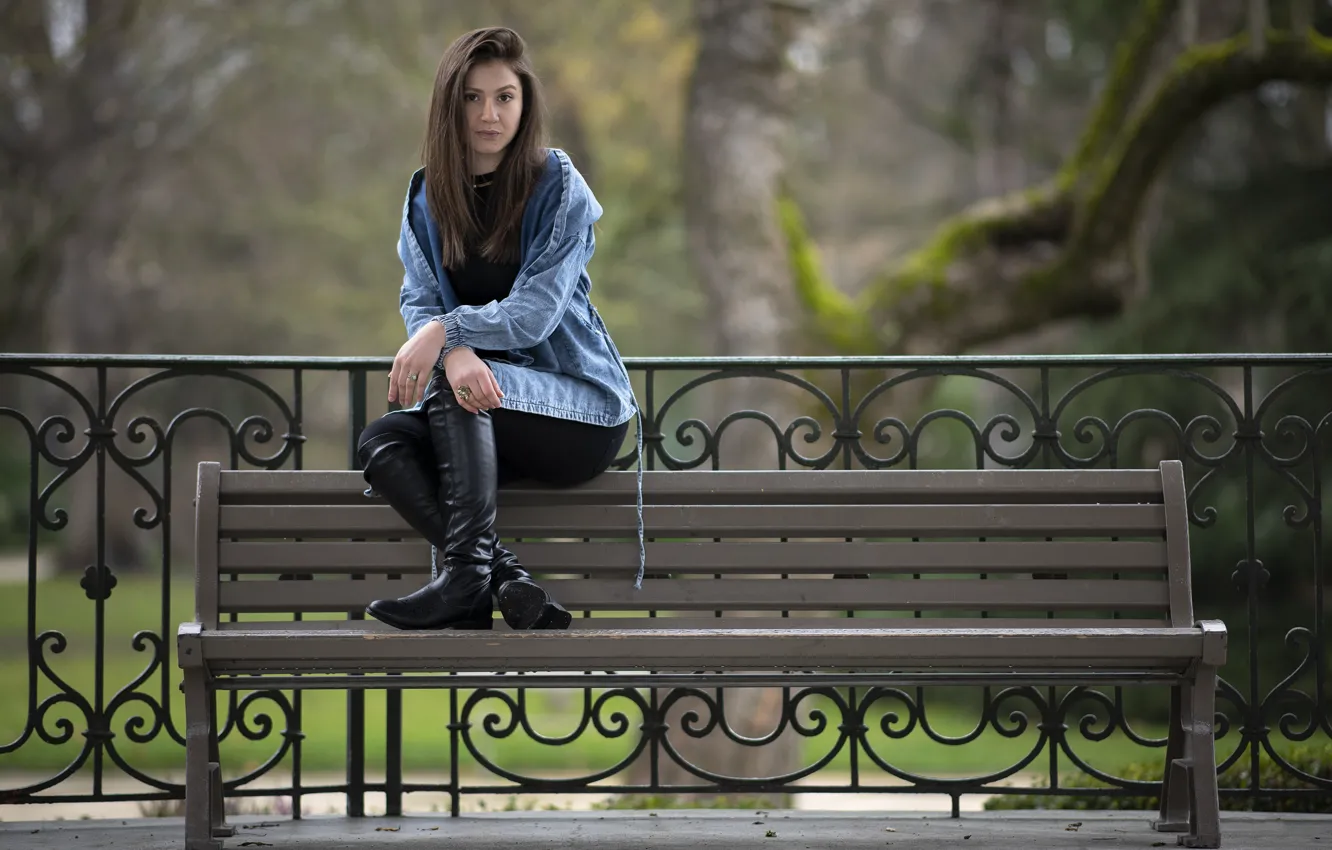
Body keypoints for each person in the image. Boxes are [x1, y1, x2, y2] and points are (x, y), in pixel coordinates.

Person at [355, 26, 641, 632]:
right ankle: (500, 579)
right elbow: (419, 297)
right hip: (485, 412)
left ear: (524, 103)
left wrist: (449, 339)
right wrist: (451, 350)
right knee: (382, 443)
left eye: (505, 97)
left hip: (579, 408)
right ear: (448, 105)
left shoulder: (557, 185)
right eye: (473, 98)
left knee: (457, 390)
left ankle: (462, 581)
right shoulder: (426, 195)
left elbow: (536, 310)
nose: (490, 114)